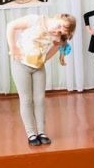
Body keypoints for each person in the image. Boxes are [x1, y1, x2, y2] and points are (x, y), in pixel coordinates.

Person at [7, 13, 76, 146]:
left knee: (39, 99)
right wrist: (13, 47)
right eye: (59, 26)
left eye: (61, 31)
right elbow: (11, 26)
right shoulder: (35, 20)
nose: (58, 31)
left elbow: (57, 45)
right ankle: (31, 133)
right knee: (26, 100)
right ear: (58, 16)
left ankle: (41, 132)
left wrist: (44, 59)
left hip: (38, 67)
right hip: (21, 65)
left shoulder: (57, 35)